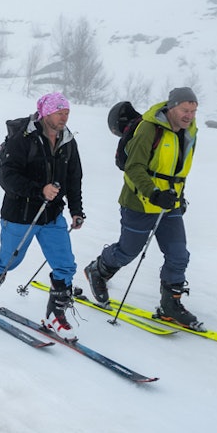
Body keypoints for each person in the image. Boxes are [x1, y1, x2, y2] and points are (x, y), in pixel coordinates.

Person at [82, 87, 201, 328]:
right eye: (185, 110)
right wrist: (154, 194)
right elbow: (134, 167)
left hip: (170, 204)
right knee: (128, 251)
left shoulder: (190, 132)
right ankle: (99, 270)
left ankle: (170, 305)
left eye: (193, 110)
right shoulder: (149, 128)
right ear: (172, 106)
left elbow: (179, 170)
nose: (189, 115)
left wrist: (179, 196)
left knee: (178, 254)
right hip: (140, 201)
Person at [0, 92, 86, 339]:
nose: (64, 117)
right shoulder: (23, 139)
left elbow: (74, 179)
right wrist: (39, 190)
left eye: (67, 112)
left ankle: (54, 315)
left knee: (65, 265)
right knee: (10, 260)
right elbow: (7, 177)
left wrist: (76, 209)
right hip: (20, 214)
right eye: (60, 112)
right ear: (46, 113)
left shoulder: (68, 141)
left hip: (52, 215)